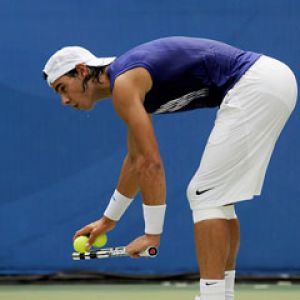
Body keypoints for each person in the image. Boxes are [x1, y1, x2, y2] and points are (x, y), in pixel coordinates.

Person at [43, 37, 297, 300]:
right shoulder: (127, 83)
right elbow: (135, 160)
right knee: (217, 198)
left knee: (205, 195)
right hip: (268, 81)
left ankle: (213, 296)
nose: (64, 100)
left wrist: (152, 235)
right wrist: (109, 220)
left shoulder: (125, 84)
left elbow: (150, 163)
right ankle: (223, 294)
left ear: (82, 70)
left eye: (63, 87)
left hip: (256, 83)